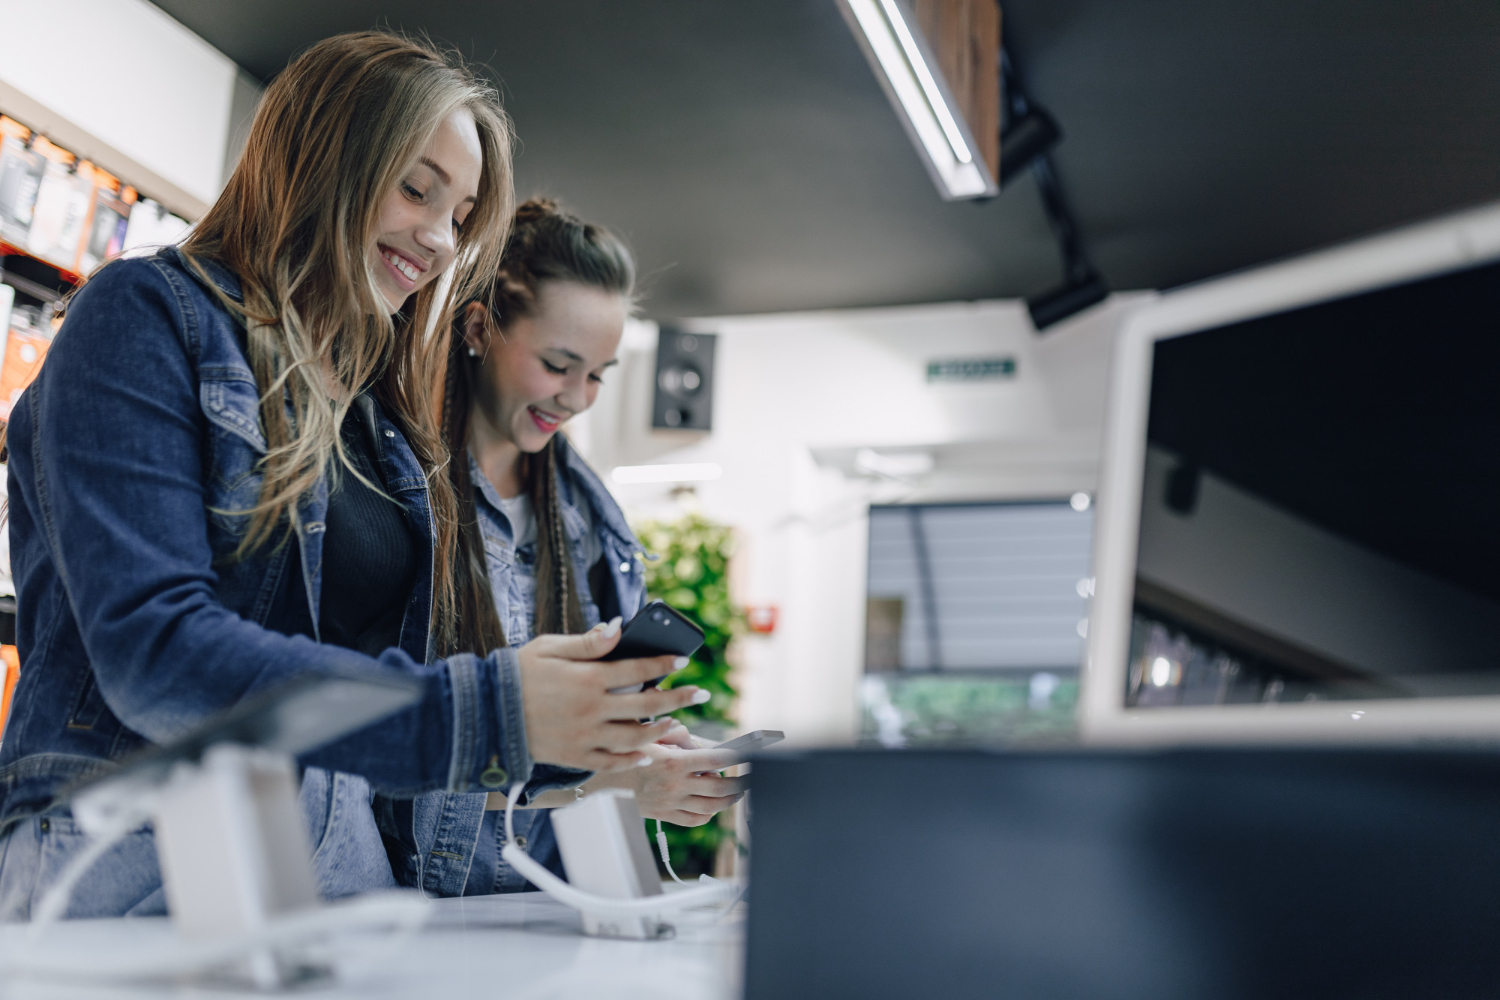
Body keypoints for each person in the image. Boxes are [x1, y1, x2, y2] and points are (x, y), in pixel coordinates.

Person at [0, 32, 704, 920]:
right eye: (418, 188)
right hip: (133, 853)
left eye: (461, 216)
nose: (441, 240)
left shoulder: (378, 417)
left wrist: (579, 737)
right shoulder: (145, 317)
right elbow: (157, 654)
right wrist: (494, 710)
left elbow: (372, 700)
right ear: (323, 158)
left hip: (329, 866)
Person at [403, 199, 745, 895]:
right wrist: (607, 783)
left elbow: (585, 750)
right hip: (414, 913)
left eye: (598, 374)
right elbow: (379, 766)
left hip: (550, 909)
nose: (579, 397)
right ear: (478, 329)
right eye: (559, 364)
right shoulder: (392, 497)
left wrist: (647, 758)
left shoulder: (591, 521)